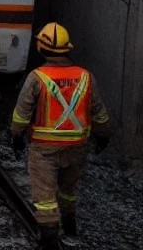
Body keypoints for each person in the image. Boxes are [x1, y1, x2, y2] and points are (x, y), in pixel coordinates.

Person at [10, 23, 110, 248]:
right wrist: (103, 135)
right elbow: (99, 111)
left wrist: (16, 136)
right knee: (68, 189)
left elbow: (22, 112)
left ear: (42, 49)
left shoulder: (37, 77)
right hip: (77, 146)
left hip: (45, 148)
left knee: (44, 194)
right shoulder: (85, 77)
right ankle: (70, 223)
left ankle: (49, 237)